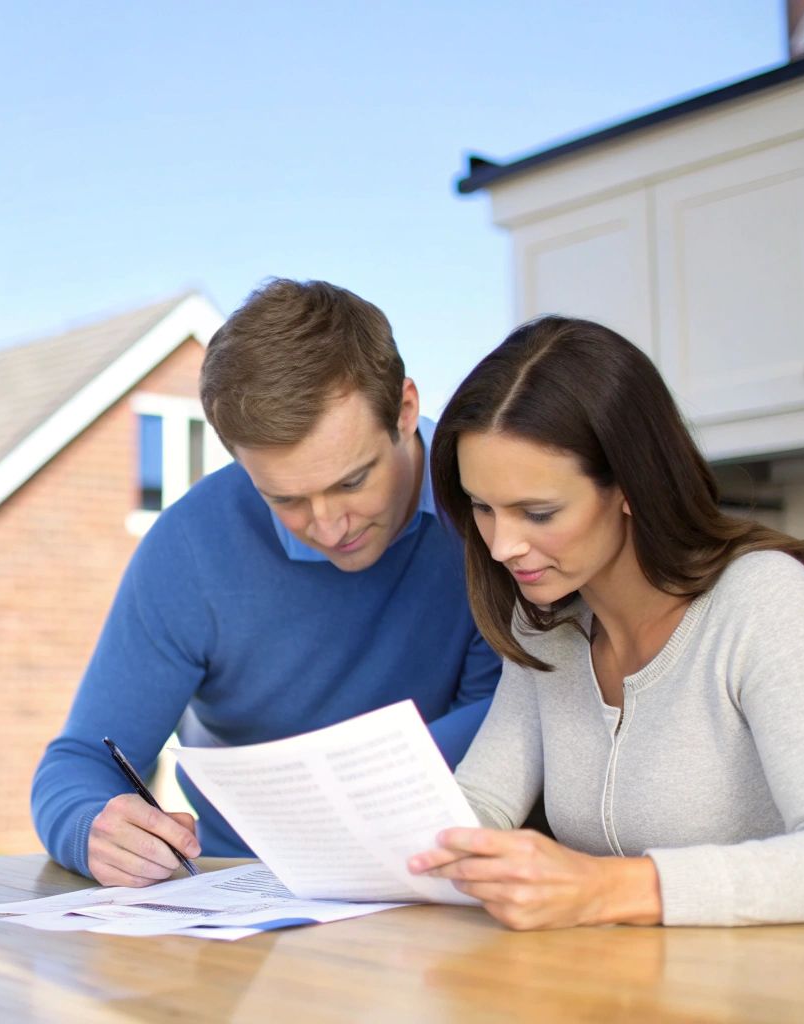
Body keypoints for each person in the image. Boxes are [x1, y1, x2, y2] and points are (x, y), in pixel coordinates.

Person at [407, 316, 804, 929]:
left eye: (538, 512)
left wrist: (606, 888)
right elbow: (479, 806)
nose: (503, 544)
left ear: (628, 486)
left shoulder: (763, 600)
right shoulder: (547, 627)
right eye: (482, 507)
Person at [32, 278, 502, 887]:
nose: (331, 526)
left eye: (353, 481)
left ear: (405, 410)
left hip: (442, 878)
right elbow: (79, 764)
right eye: (287, 498)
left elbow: (510, 720)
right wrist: (91, 825)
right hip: (245, 892)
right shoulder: (190, 547)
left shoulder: (495, 512)